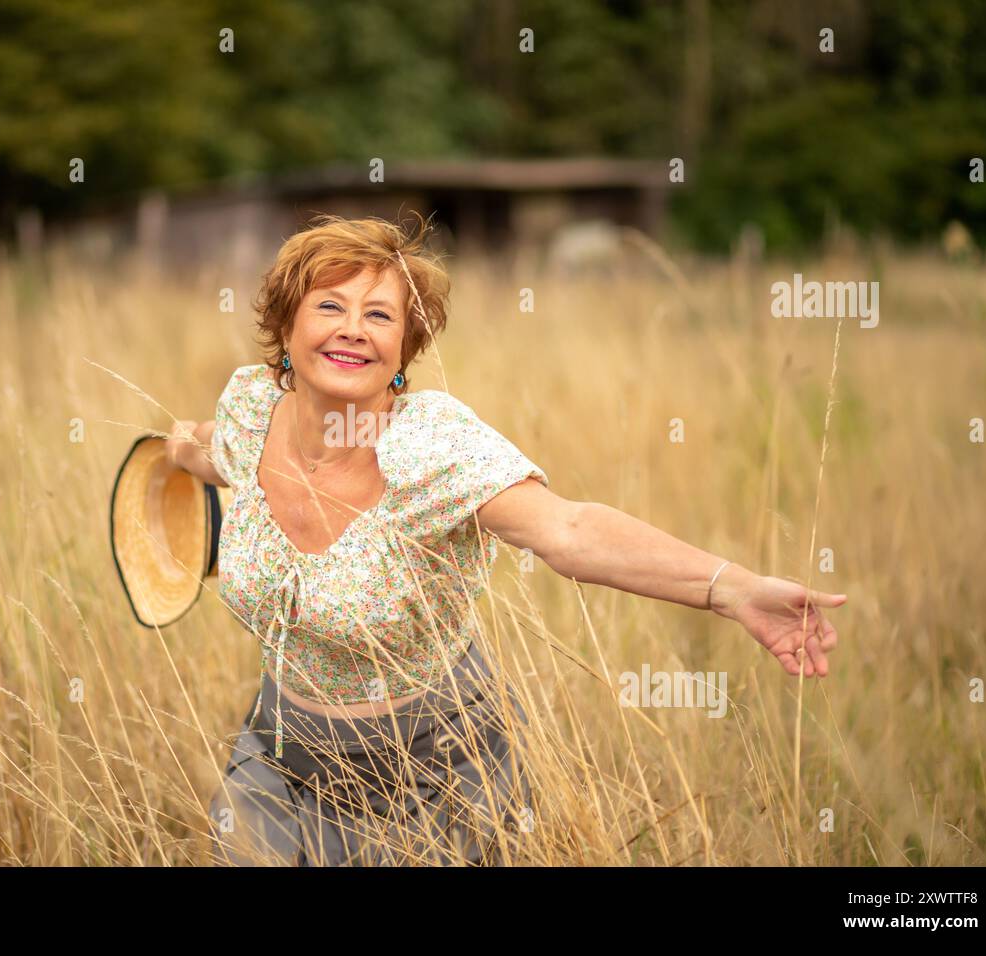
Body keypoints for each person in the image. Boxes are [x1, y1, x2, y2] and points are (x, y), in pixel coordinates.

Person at [168, 213, 846, 866]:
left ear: (406, 347)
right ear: (286, 324)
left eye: (379, 315)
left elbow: (570, 529)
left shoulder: (431, 448)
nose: (353, 331)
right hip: (281, 758)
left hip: (432, 773)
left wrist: (735, 590)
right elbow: (210, 450)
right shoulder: (251, 411)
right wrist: (168, 454)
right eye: (330, 307)